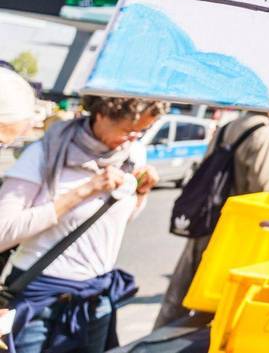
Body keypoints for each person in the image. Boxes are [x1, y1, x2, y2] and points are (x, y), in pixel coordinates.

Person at [0, 96, 166, 353]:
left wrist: (141, 193)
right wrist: (84, 191)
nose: (134, 138)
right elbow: (3, 232)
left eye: (141, 131)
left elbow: (115, 224)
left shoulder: (133, 155)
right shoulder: (44, 154)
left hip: (95, 299)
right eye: (127, 129)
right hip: (37, 299)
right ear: (101, 115)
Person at [154, 110, 269, 327]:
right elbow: (264, 186)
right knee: (215, 301)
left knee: (182, 290)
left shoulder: (228, 126)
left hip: (206, 215)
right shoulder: (267, 132)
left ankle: (158, 337)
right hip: (234, 227)